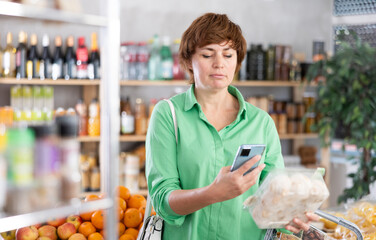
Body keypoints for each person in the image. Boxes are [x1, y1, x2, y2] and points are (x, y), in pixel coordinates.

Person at [146, 13, 318, 240]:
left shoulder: (261, 122)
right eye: (208, 54)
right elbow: (162, 201)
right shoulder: (168, 115)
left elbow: (275, 195)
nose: (219, 63)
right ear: (188, 61)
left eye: (228, 55)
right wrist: (213, 193)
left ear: (237, 62)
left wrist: (290, 215)